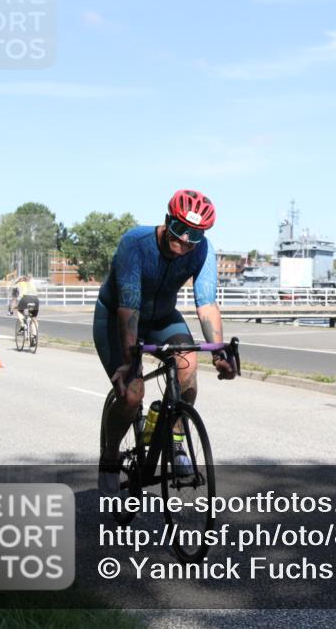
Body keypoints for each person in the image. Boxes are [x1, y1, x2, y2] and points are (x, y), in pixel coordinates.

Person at [94, 189, 237, 496]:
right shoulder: (135, 243)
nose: (185, 241)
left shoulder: (202, 250)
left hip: (161, 318)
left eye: (194, 235)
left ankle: (176, 441)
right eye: (179, 229)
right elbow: (128, 306)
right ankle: (109, 457)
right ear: (167, 220)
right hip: (117, 317)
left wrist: (219, 351)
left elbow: (207, 304)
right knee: (132, 394)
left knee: (188, 368)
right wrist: (130, 360)